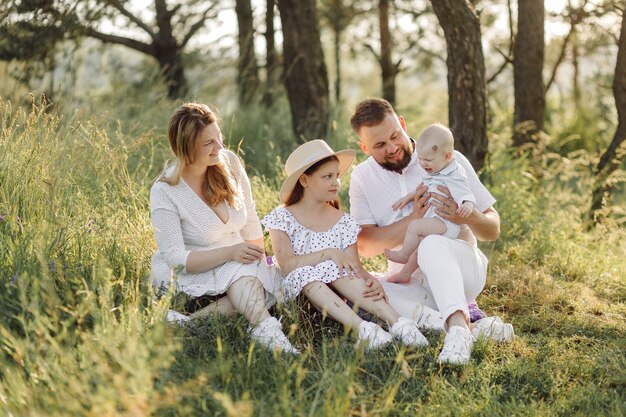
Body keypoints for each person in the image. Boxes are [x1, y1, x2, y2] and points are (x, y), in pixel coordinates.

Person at [349, 98, 513, 364]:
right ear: (364, 147)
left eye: (394, 136)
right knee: (354, 288)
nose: (392, 148)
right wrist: (413, 218)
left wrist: (467, 215)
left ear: (402, 124)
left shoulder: (448, 159)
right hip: (409, 283)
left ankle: (459, 332)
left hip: (462, 271)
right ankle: (474, 327)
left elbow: (492, 229)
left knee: (430, 244)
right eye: (379, 145)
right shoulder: (361, 178)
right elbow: (366, 246)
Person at [150, 102, 298, 354]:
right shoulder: (165, 190)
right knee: (244, 275)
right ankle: (269, 332)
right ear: (186, 148)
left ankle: (187, 324)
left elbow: (250, 220)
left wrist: (259, 261)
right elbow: (175, 259)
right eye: (208, 143)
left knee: (269, 278)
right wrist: (231, 254)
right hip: (195, 267)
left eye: (219, 137)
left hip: (238, 257)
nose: (219, 147)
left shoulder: (228, 162)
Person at [262, 139, 429, 350]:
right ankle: (363, 329)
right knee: (312, 269)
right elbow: (287, 265)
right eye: (328, 177)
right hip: (296, 293)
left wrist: (370, 280)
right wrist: (329, 253)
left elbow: (355, 267)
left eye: (337, 176)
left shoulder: (343, 221)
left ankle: (400, 324)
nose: (336, 183)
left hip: (338, 289)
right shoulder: (282, 217)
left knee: (339, 267)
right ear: (304, 180)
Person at [383, 123, 476, 284]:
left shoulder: (453, 173)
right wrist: (407, 198)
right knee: (420, 249)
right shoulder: (436, 171)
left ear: (447, 156)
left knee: (415, 227)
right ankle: (405, 274)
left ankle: (403, 254)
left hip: (447, 223)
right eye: (420, 159)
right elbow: (423, 188)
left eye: (428, 160)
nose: (424, 164)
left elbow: (465, 192)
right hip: (437, 221)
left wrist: (467, 204)